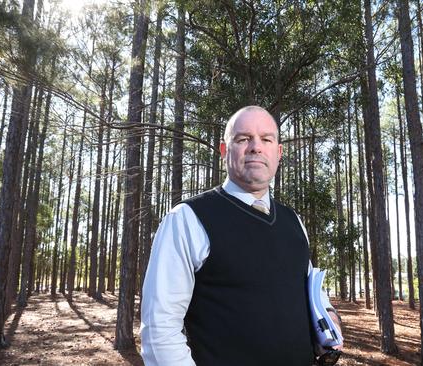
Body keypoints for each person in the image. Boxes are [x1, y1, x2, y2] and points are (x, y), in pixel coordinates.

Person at [140, 106, 343, 366]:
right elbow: (160, 329)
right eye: (243, 138)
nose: (256, 147)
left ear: (278, 153)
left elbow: (310, 293)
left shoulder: (294, 222)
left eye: (266, 139)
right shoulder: (187, 219)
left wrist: (329, 315)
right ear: (224, 150)